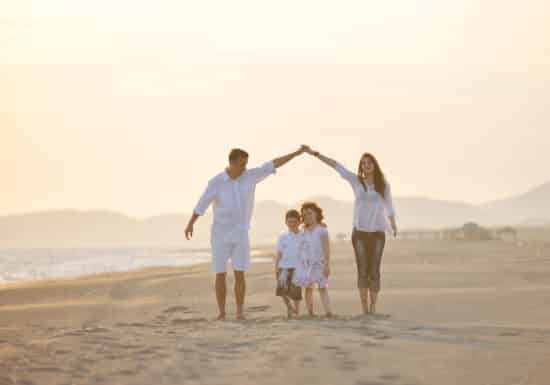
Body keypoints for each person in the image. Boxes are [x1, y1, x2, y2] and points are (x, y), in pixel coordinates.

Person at [184, 146, 308, 320]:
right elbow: (201, 204)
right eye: (242, 164)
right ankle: (221, 313)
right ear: (232, 163)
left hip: (241, 234)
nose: (245, 168)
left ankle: (240, 312)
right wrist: (191, 224)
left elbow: (274, 164)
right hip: (220, 235)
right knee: (220, 273)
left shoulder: (250, 176)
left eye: (246, 164)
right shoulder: (216, 182)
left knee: (240, 273)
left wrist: (296, 153)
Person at [305, 147, 397, 315]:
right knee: (362, 269)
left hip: (377, 232)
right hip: (360, 233)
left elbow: (389, 206)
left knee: (374, 269)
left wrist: (393, 224)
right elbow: (336, 166)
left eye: (369, 163)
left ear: (375, 165)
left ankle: (373, 308)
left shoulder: (383, 185)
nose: (366, 165)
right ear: (361, 167)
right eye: (363, 164)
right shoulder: (356, 181)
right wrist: (316, 154)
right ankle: (364, 309)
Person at [292, 202, 333, 318]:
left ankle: (328, 312)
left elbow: (326, 248)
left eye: (310, 213)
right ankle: (310, 313)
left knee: (322, 287)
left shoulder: (322, 230)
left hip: (319, 263)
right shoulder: (302, 230)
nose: (308, 216)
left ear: (316, 213)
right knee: (308, 288)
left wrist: (327, 265)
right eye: (304, 214)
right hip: (306, 263)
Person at [274, 209, 303, 318]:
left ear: (299, 222)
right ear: (286, 222)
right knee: (282, 290)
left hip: (297, 268)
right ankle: (289, 307)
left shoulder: (303, 234)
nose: (292, 224)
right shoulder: (283, 235)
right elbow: (279, 252)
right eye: (289, 221)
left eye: (294, 221)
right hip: (283, 267)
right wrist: (276, 267)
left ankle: (296, 311)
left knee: (296, 291)